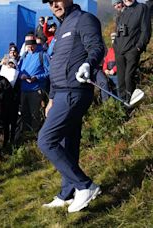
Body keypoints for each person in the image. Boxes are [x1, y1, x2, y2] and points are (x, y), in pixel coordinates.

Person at [38, 0, 105, 213]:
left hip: (75, 92)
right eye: (50, 2)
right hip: (61, 94)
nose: (54, 4)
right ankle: (67, 193)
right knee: (68, 144)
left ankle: (85, 186)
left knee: (46, 140)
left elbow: (96, 47)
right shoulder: (60, 28)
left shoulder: (84, 19)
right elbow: (58, 66)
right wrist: (51, 99)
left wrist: (89, 63)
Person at [113, 0, 151, 104]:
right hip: (119, 51)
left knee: (128, 78)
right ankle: (123, 105)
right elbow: (118, 32)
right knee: (121, 80)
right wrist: (115, 46)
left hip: (132, 50)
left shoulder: (142, 8)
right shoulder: (122, 11)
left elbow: (145, 30)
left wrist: (139, 47)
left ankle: (131, 104)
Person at [18, 35, 50, 133]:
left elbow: (50, 72)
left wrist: (36, 77)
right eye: (28, 46)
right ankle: (26, 135)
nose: (30, 48)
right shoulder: (24, 56)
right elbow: (18, 70)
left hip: (36, 90)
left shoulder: (42, 55)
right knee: (24, 114)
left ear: (35, 44)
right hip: (24, 90)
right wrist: (21, 76)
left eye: (32, 45)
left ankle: (36, 135)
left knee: (36, 114)